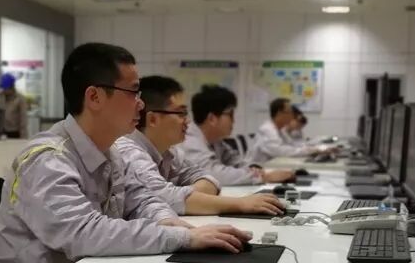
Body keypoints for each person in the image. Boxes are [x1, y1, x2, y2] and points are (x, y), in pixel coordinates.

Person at [0, 43, 250, 263]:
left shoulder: (111, 152)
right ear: (94, 97)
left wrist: (172, 224)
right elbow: (85, 233)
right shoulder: (47, 159)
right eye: (133, 92)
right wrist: (182, 238)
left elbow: (142, 200)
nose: (141, 104)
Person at [114, 76, 286, 216]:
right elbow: (165, 198)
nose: (187, 121)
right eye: (181, 113)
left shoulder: (170, 151)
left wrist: (187, 195)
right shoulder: (129, 151)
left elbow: (208, 177)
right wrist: (241, 204)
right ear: (152, 119)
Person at [179, 85, 294, 185]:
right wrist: (262, 176)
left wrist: (257, 170)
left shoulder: (216, 141)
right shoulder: (189, 141)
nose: (234, 121)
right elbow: (214, 174)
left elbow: (236, 162)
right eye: (230, 115)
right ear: (212, 118)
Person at [247, 98, 322, 163]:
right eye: (290, 112)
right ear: (279, 113)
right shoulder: (267, 129)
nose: (292, 116)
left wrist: (313, 150)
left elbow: (292, 145)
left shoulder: (281, 130)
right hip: (257, 169)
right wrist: (309, 151)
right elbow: (280, 151)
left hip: (272, 166)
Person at [0, 73, 28, 139]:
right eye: (3, 88)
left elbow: (23, 119)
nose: (4, 90)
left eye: (6, 88)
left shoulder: (20, 99)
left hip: (14, 132)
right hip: (0, 132)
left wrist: (23, 137)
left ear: (12, 87)